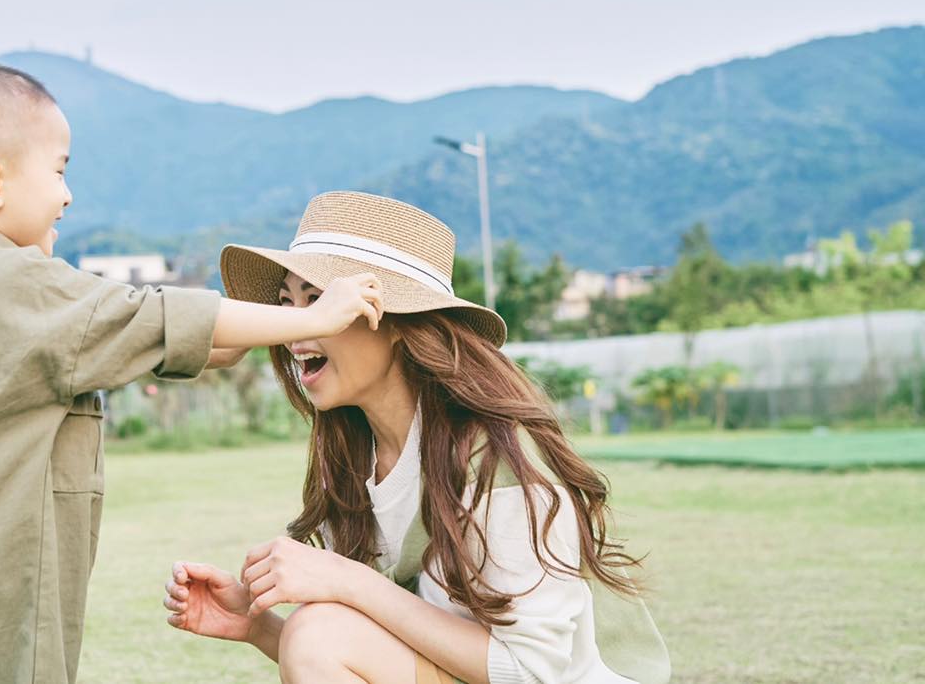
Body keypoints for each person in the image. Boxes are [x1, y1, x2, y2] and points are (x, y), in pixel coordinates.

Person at [0, 63, 386, 684]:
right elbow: (158, 315)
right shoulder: (17, 286)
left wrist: (277, 324)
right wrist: (324, 315)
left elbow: (184, 342)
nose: (67, 195)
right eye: (59, 171)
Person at [164, 191, 670, 684]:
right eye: (288, 304)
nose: (297, 328)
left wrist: (347, 582)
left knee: (321, 630)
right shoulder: (355, 456)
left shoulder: (500, 459)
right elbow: (370, 650)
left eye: (319, 301)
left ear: (400, 324)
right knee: (318, 631)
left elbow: (533, 671)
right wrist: (258, 628)